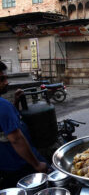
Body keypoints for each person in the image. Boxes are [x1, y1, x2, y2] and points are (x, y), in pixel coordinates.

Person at [0, 61, 48, 189]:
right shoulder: (3, 106)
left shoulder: (6, 106)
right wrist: (37, 165)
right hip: (21, 164)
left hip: (6, 166)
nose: (6, 82)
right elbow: (16, 139)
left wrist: (15, 103)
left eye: (6, 78)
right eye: (1, 79)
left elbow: (6, 126)